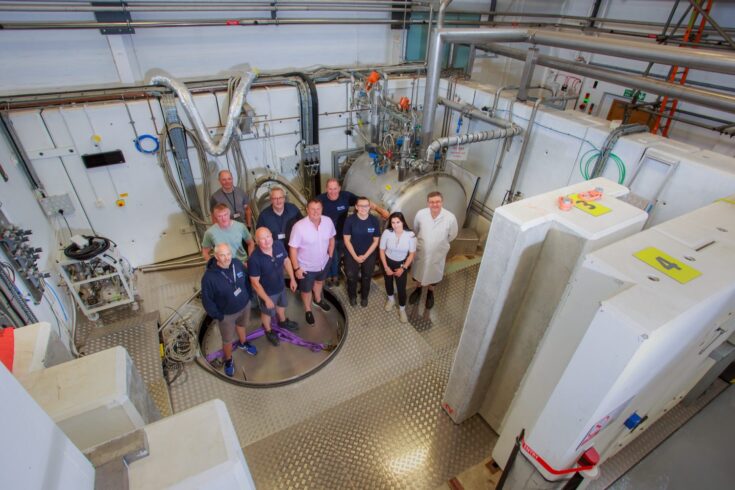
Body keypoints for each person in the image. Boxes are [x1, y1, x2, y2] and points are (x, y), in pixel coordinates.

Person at [318, 178, 388, 287]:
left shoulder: (346, 196)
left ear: (339, 188)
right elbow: (313, 213)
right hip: (327, 236)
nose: (332, 192)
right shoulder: (321, 200)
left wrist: (380, 210)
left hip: (343, 234)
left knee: (337, 255)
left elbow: (365, 202)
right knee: (330, 256)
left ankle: (334, 275)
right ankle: (330, 276)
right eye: (330, 189)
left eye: (335, 189)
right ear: (326, 189)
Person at [201, 243, 258, 377]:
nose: (227, 258)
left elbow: (246, 280)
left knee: (242, 326)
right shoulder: (209, 278)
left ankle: (243, 343)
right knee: (227, 340)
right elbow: (207, 300)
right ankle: (228, 360)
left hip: (244, 306)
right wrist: (219, 316)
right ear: (216, 256)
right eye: (222, 255)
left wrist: (248, 296)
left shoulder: (237, 263)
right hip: (226, 315)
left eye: (228, 254)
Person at [288, 199, 336, 325]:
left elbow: (332, 238)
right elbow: (293, 249)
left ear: (322, 209)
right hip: (306, 268)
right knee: (306, 290)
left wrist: (330, 256)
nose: (315, 211)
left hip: (323, 263)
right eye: (312, 209)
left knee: (320, 281)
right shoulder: (299, 227)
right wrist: (297, 268)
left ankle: (318, 299)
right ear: (307, 210)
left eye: (318, 208)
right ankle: (308, 309)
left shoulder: (328, 221)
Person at [249, 227, 300, 342]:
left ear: (271, 235)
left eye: (268, 236)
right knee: (267, 313)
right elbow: (255, 283)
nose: (266, 241)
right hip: (267, 293)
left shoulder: (278, 245)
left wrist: (292, 279)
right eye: (262, 239)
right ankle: (268, 330)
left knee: (281, 306)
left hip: (281, 286)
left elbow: (286, 261)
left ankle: (282, 322)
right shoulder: (254, 259)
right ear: (257, 241)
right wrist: (266, 299)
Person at [409, 191, 458, 310]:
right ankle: (418, 289)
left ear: (442, 202)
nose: (435, 204)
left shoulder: (450, 217)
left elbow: (453, 235)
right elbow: (416, 228)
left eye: (437, 202)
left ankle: (430, 293)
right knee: (418, 272)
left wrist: (438, 244)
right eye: (432, 202)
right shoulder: (421, 214)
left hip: (438, 253)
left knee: (434, 273)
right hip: (421, 251)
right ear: (428, 203)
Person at [343, 196, 381, 307]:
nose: (363, 208)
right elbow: (346, 240)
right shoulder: (350, 220)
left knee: (367, 276)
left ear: (369, 207)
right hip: (352, 253)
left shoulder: (374, 220)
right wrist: (355, 256)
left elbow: (375, 241)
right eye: (360, 206)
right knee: (351, 276)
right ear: (356, 207)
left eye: (366, 206)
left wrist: (365, 256)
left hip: (369, 253)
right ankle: (352, 296)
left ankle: (364, 297)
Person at [380, 212, 416, 323]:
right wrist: (386, 267)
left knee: (401, 288)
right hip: (387, 261)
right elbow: (381, 250)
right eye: (393, 222)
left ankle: (402, 309)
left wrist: (403, 268)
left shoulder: (411, 235)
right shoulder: (387, 232)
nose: (395, 225)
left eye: (398, 222)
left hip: (401, 264)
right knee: (388, 282)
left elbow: (411, 255)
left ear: (403, 222)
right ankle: (391, 300)